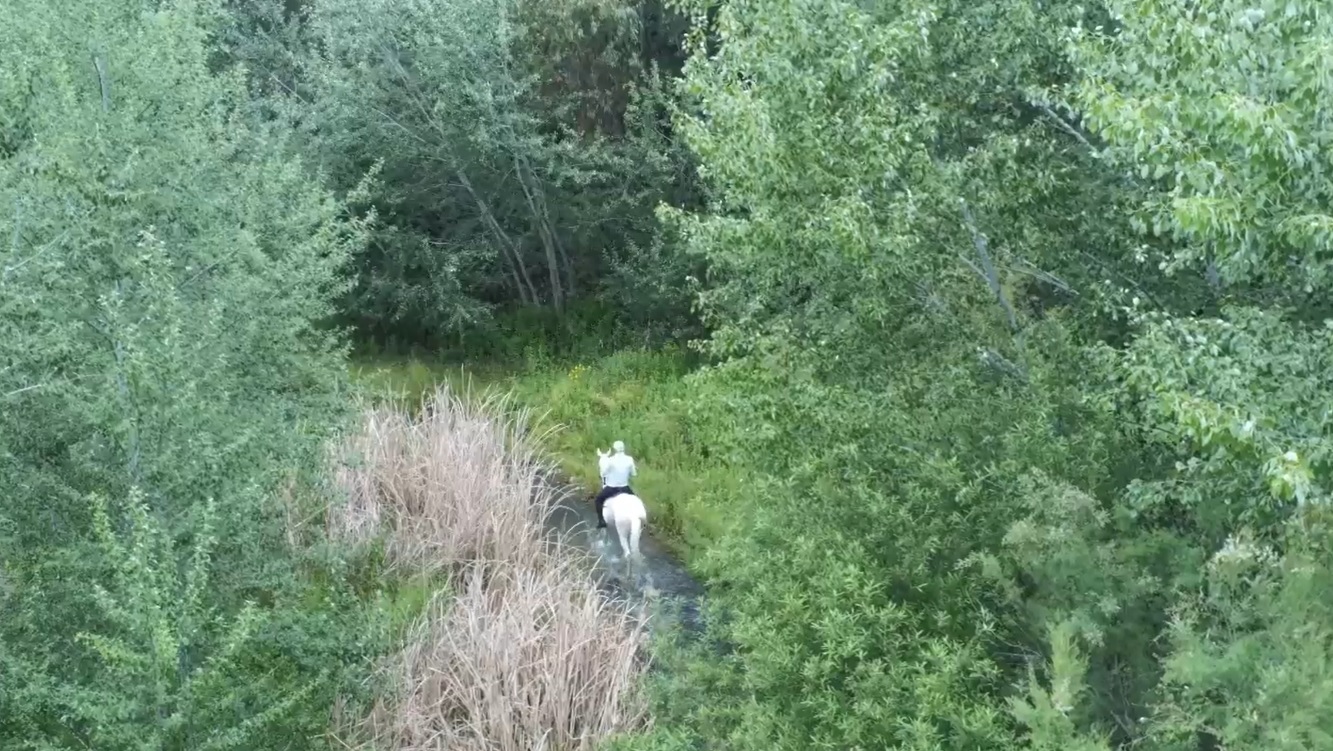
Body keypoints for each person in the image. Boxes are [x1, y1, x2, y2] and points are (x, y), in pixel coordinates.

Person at [594, 440, 636, 528]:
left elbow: (604, 473)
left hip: (612, 488)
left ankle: (601, 521)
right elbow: (633, 474)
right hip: (625, 488)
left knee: (598, 500)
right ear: (623, 448)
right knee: (636, 501)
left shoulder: (611, 460)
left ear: (614, 449)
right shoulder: (629, 459)